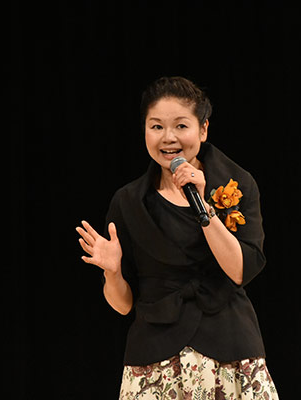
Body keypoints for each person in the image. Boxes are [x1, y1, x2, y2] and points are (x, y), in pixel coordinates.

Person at [76, 76, 279, 399]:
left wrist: (206, 208)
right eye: (156, 126)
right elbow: (123, 305)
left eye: (181, 126)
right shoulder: (129, 202)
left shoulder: (237, 184)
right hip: (154, 353)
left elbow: (240, 270)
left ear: (203, 129)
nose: (168, 137)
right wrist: (112, 272)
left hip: (229, 347)